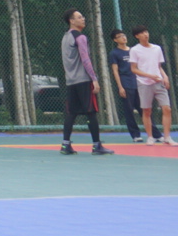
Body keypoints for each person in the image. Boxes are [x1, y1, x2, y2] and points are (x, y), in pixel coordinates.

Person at [60, 9, 113, 155]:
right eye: (79, 17)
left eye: (82, 16)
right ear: (71, 21)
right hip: (83, 80)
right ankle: (97, 146)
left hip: (71, 81)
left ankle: (65, 145)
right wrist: (94, 79)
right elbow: (85, 59)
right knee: (91, 112)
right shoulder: (80, 37)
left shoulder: (65, 37)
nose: (83, 19)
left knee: (71, 113)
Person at [129, 26, 173, 145]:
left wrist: (165, 77)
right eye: (142, 33)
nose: (145, 34)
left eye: (146, 32)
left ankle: (167, 137)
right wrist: (149, 76)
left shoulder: (157, 48)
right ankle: (150, 137)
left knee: (167, 109)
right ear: (137, 36)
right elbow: (134, 69)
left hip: (158, 82)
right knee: (147, 110)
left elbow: (158, 66)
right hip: (144, 83)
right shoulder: (134, 50)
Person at [109, 30, 145, 142]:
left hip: (139, 83)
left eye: (124, 35)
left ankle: (155, 134)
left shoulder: (133, 50)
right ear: (115, 40)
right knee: (129, 111)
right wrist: (120, 87)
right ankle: (135, 135)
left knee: (144, 109)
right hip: (126, 84)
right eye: (120, 36)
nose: (123, 37)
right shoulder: (114, 53)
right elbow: (115, 71)